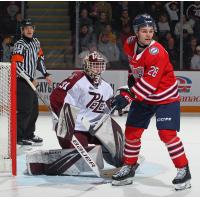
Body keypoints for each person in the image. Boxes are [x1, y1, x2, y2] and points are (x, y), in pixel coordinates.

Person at [111, 14, 191, 190]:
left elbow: (149, 84)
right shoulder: (129, 44)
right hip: (144, 97)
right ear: (136, 32)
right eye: (144, 31)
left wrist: (127, 95)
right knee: (132, 132)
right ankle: (129, 167)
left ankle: (183, 169)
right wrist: (130, 82)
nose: (148, 35)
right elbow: (134, 67)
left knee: (167, 134)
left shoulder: (158, 53)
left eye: (151, 31)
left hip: (165, 97)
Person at [49, 51, 124, 169]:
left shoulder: (106, 87)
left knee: (119, 148)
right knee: (80, 163)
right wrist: (62, 122)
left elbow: (107, 114)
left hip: (95, 129)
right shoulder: (77, 80)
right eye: (94, 66)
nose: (97, 70)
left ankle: (121, 159)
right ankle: (67, 155)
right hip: (76, 129)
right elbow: (56, 97)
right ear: (87, 66)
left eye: (100, 66)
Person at [11, 19, 52, 146]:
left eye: (31, 28)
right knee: (25, 110)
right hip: (22, 81)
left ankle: (29, 134)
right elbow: (16, 65)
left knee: (34, 110)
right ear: (22, 30)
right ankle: (18, 136)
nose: (29, 30)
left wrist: (45, 74)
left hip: (30, 81)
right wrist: (30, 78)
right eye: (26, 28)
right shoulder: (20, 44)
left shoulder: (36, 42)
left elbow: (40, 59)